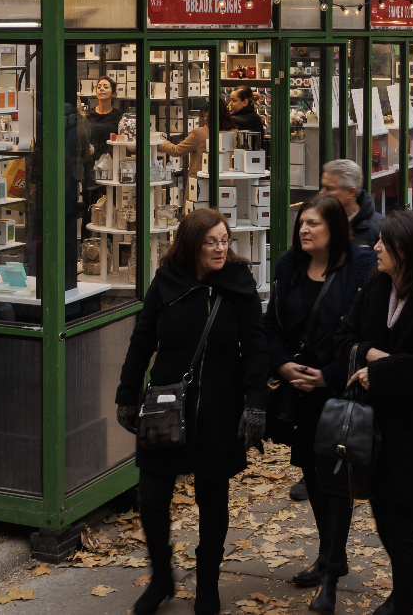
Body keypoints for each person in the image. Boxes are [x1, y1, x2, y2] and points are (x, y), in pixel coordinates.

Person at [116, 209, 268, 615]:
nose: (221, 248)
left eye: (225, 240)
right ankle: (162, 576)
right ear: (191, 244)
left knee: (212, 500)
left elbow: (256, 347)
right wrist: (127, 394)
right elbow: (141, 340)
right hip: (166, 405)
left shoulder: (238, 283)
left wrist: (255, 403)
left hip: (219, 409)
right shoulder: (167, 282)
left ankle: (207, 585)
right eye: (211, 242)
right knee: (151, 498)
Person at [329, 211, 413, 615]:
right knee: (384, 512)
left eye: (385, 241)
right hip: (374, 426)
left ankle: (405, 597)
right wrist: (368, 353)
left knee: (401, 519)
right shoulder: (376, 286)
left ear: (406, 249)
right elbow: (344, 336)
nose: (377, 247)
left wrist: (384, 370)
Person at [265, 195, 375, 612]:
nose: (304, 230)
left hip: (338, 391)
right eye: (301, 224)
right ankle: (333, 555)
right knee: (312, 476)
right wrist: (282, 365)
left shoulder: (360, 267)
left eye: (313, 223)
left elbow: (365, 330)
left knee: (336, 481)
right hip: (298, 394)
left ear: (334, 227)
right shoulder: (286, 266)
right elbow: (270, 324)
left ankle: (329, 572)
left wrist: (328, 374)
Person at [319, 160, 381, 247]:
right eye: (322, 187)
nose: (321, 193)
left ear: (350, 192)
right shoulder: (317, 223)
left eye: (329, 188)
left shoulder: (380, 229)